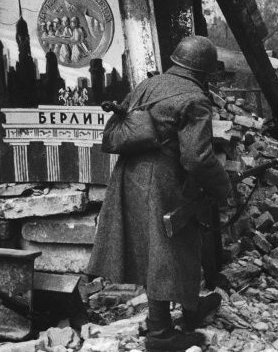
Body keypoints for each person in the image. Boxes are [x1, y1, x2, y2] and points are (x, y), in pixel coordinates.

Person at [87, 35, 232, 352]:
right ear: (204, 72)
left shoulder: (148, 85)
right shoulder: (195, 99)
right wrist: (224, 187)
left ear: (177, 61)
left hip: (130, 176)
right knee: (167, 248)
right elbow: (197, 158)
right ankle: (160, 333)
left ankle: (190, 309)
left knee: (161, 247)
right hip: (163, 181)